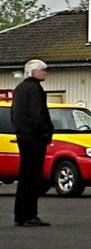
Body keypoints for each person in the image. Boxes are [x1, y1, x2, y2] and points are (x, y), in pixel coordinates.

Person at [11, 59, 52, 227]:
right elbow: (38, 113)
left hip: (22, 136)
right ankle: (30, 214)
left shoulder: (19, 89)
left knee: (24, 175)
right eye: (42, 70)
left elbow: (15, 113)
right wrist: (45, 130)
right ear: (33, 72)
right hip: (34, 137)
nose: (45, 73)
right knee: (33, 175)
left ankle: (20, 214)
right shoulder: (35, 89)